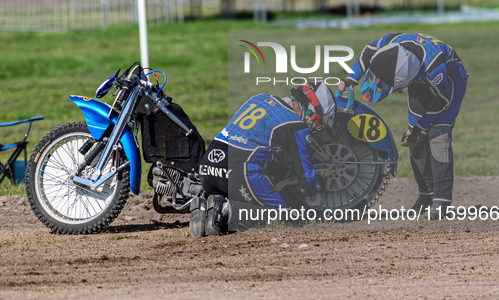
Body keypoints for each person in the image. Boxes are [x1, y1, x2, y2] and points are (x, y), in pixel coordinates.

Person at [338, 33, 469, 220]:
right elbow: (368, 51)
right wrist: (351, 78)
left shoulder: (435, 69)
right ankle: (426, 195)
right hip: (419, 81)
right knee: (415, 142)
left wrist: (418, 127)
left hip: (449, 86)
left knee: (438, 136)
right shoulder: (391, 42)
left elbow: (443, 102)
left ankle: (441, 201)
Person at [190, 82, 336, 237]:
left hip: (207, 167)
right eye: (319, 120)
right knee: (285, 217)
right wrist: (318, 187)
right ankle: (225, 210)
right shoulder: (296, 126)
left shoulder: (260, 98)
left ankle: (207, 205)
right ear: (313, 108)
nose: (314, 126)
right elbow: (306, 178)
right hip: (238, 170)